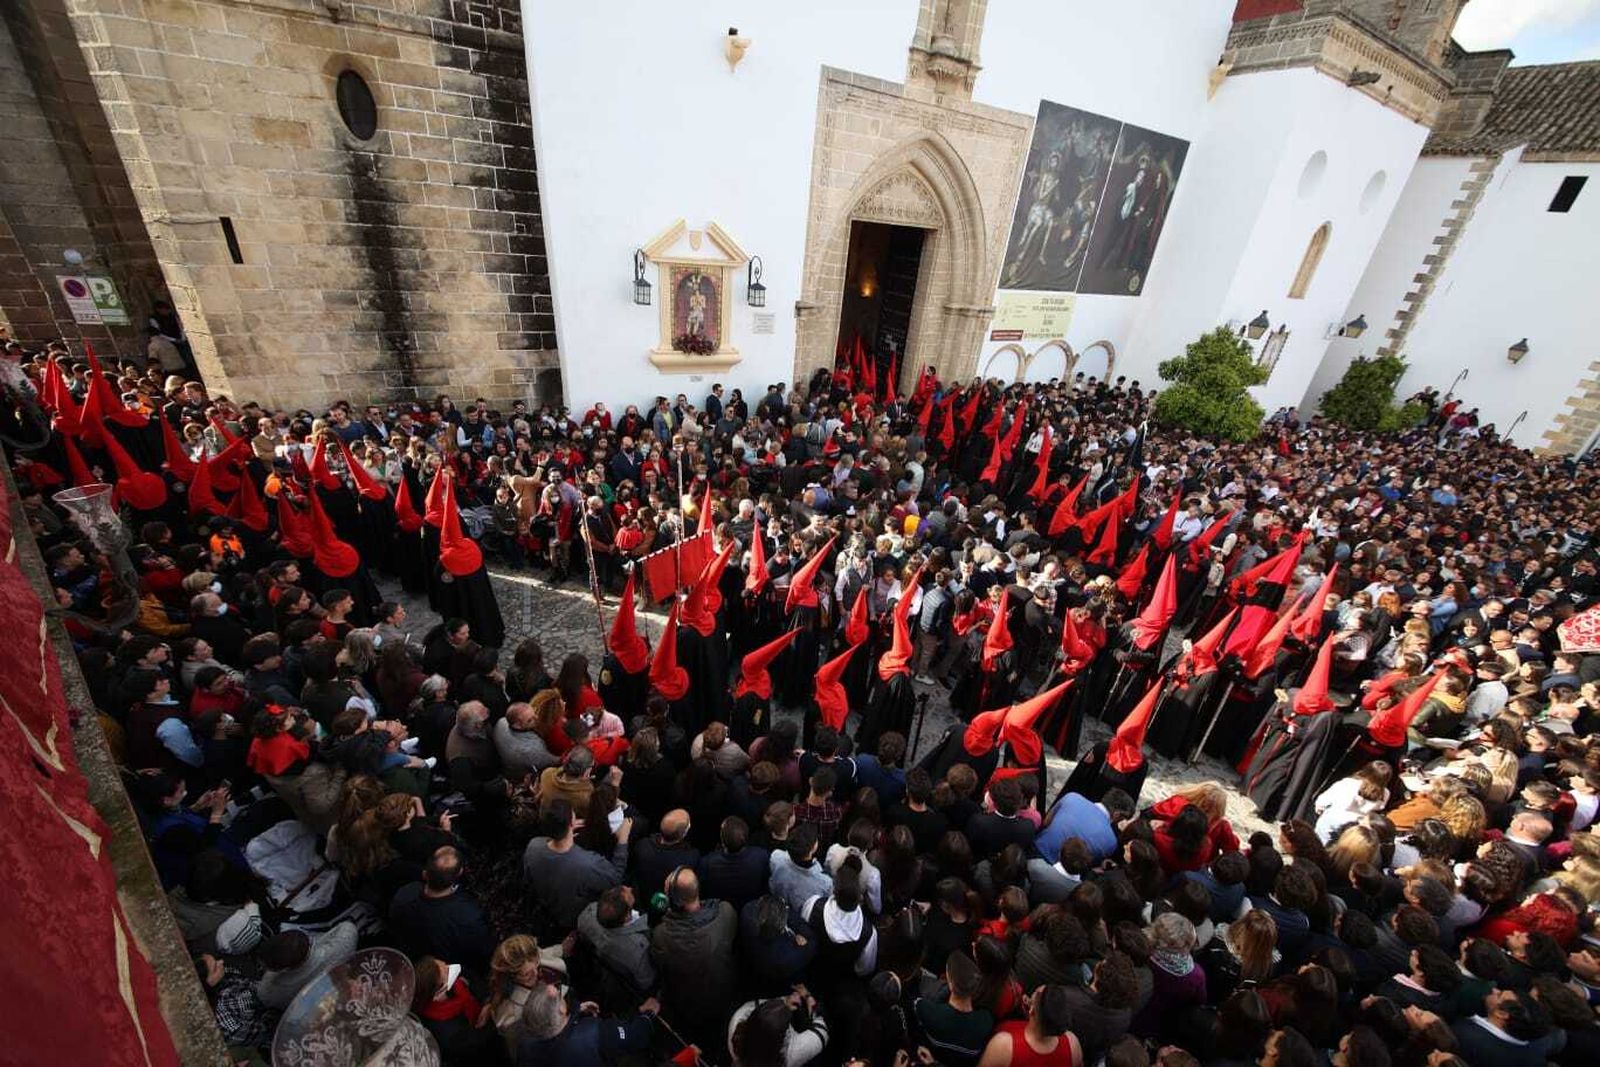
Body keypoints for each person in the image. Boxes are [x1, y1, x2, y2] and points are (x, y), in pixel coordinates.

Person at [387, 845, 497, 978]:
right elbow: (485, 955)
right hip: (449, 976)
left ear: (425, 873)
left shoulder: (404, 895)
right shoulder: (469, 917)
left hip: (410, 965)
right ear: (460, 873)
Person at [521, 799, 631, 930]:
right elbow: (616, 879)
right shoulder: (589, 865)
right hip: (573, 918)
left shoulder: (533, 845)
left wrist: (566, 833)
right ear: (571, 823)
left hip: (547, 901)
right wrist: (623, 841)